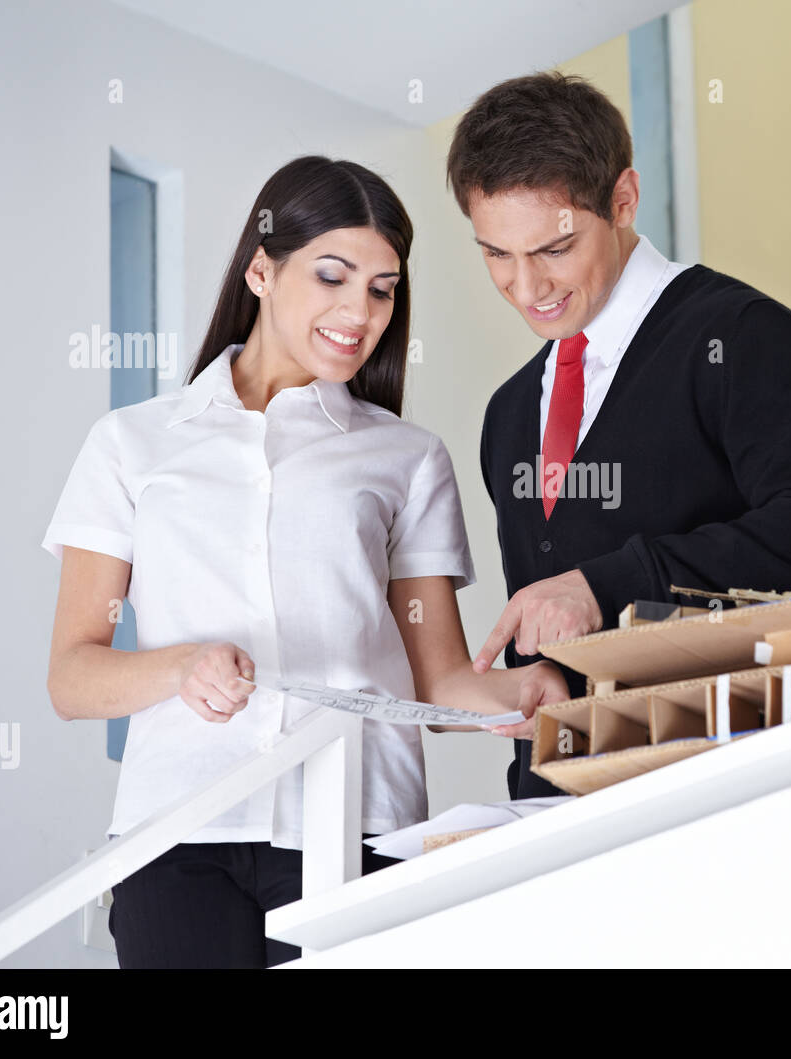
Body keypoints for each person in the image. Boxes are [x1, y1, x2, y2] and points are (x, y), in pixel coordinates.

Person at [42, 155, 567, 968]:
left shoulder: (407, 457)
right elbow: (73, 678)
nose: (360, 312)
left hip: (360, 827)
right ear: (261, 269)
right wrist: (180, 666)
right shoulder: (131, 444)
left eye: (383, 288)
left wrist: (520, 693)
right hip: (180, 830)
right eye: (332, 276)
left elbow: (436, 680)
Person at [445, 73, 791, 799]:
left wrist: (609, 584)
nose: (527, 289)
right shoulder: (509, 414)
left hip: (732, 796)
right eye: (496, 254)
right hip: (561, 821)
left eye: (554, 248)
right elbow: (560, 631)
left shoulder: (741, 336)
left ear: (623, 200)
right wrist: (545, 675)